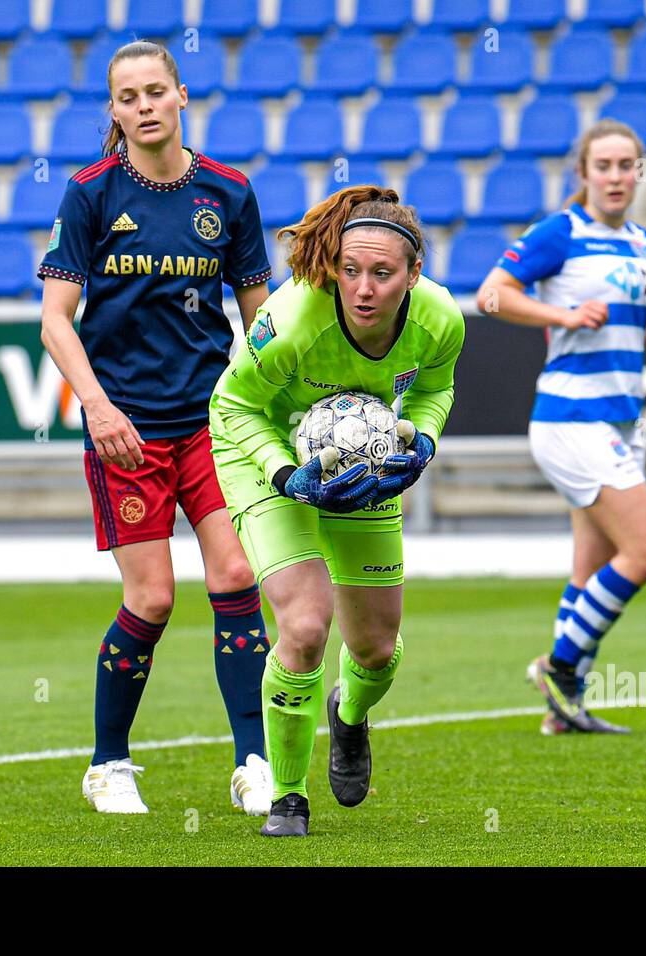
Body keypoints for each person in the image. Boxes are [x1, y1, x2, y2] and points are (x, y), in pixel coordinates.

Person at [38, 40, 276, 815]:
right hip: (126, 431)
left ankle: (254, 761)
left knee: (238, 577)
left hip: (212, 422)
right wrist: (97, 406)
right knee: (154, 600)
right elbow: (55, 322)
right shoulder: (91, 194)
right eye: (126, 96)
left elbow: (260, 319)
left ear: (181, 95)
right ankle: (108, 763)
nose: (142, 106)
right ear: (114, 111)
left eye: (154, 91)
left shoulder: (230, 193)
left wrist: (285, 394)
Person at [208, 185, 465, 837]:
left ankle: (348, 715)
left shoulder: (440, 320)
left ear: (413, 274)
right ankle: (288, 798)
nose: (364, 287)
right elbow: (232, 406)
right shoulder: (291, 319)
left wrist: (425, 441)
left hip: (361, 473)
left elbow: (435, 387)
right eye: (351, 270)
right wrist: (287, 474)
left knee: (376, 649)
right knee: (304, 624)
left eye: (383, 273)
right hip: (264, 457)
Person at [475, 120, 646, 735]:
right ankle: (559, 669)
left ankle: (564, 711)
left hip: (616, 421)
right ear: (583, 174)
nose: (616, 177)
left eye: (627, 166)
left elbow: (639, 326)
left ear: (639, 172)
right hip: (571, 417)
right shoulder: (561, 232)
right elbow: (491, 295)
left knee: (589, 571)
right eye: (604, 166)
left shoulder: (639, 240)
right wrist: (563, 312)